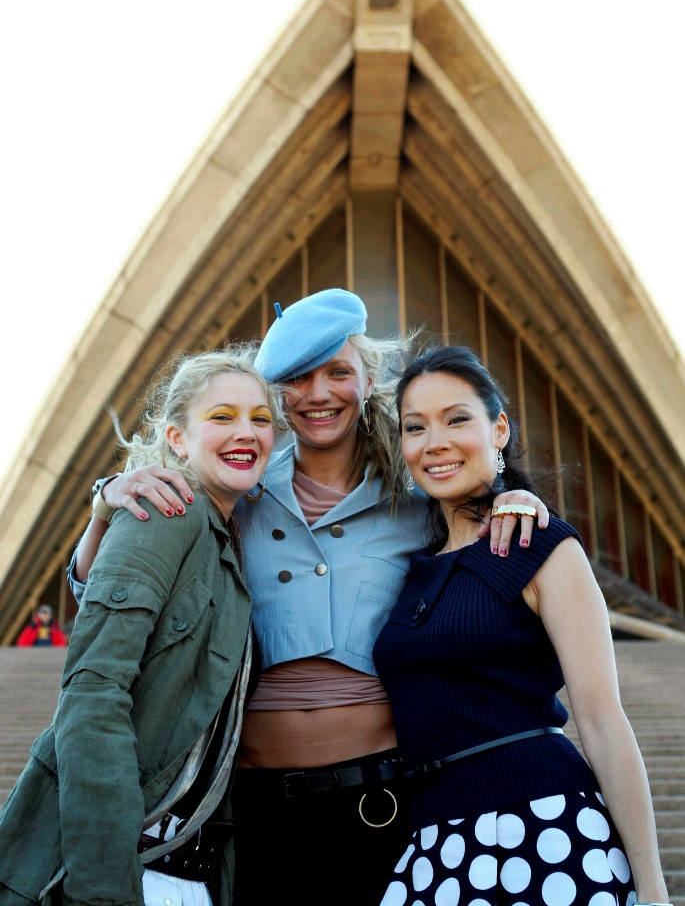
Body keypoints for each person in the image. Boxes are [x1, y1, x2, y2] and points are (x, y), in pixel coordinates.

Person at [67, 290, 549, 906]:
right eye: (297, 378)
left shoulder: (417, 500)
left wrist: (509, 496)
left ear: (367, 380)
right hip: (253, 813)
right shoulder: (236, 485)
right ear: (275, 393)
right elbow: (108, 596)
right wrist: (105, 503)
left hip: (384, 802)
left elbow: (476, 520)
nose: (318, 394)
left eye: (338, 373)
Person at [372, 345, 669, 906]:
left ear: (499, 429)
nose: (435, 442)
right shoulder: (412, 569)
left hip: (541, 829)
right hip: (434, 841)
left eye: (457, 419)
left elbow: (603, 721)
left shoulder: (542, 545)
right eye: (415, 427)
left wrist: (653, 889)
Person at [0, 347, 279, 906]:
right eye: (222, 416)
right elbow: (93, 694)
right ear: (177, 438)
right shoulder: (166, 513)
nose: (246, 432)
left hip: (189, 870)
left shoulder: (230, 537)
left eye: (261, 418)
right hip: (125, 869)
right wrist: (104, 889)